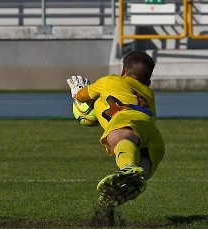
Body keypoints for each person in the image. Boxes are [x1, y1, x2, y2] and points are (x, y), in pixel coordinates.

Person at [67, 50, 165, 207]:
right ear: (149, 80)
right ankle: (135, 180)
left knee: (117, 138)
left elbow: (82, 96)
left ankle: (128, 167)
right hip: (153, 133)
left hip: (126, 119)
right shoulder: (148, 92)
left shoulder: (109, 80)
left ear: (123, 71)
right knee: (144, 163)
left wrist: (77, 93)